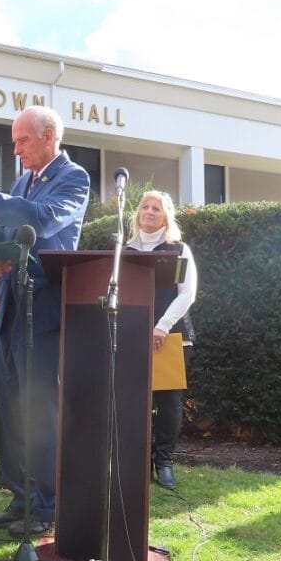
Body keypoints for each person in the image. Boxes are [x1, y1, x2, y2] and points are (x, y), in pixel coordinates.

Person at [0, 105, 90, 538]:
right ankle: (20, 496)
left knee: (38, 409)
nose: (15, 150)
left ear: (49, 135)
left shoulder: (74, 177)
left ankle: (47, 505)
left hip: (46, 310)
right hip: (11, 307)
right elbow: (6, 237)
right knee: (11, 407)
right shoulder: (20, 181)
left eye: (22, 141)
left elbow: (44, 220)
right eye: (13, 141)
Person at [126, 190, 197, 489]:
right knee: (134, 402)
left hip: (172, 335)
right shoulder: (124, 250)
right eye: (145, 206)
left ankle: (164, 461)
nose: (150, 212)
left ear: (166, 216)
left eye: (157, 208)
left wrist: (161, 327)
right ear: (137, 213)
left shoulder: (179, 249)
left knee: (168, 402)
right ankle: (137, 463)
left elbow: (187, 294)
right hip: (131, 338)